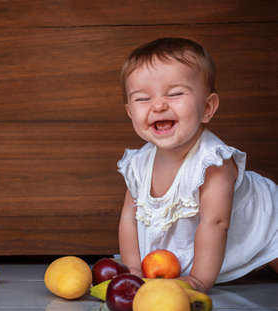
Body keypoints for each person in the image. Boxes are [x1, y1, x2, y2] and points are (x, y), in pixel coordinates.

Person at [117, 37, 277, 292]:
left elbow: (215, 223)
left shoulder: (213, 163)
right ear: (129, 112)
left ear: (207, 108)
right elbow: (129, 218)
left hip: (264, 221)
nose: (158, 105)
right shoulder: (137, 164)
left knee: (273, 250)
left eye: (175, 94)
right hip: (210, 240)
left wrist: (198, 279)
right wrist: (133, 270)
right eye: (142, 98)